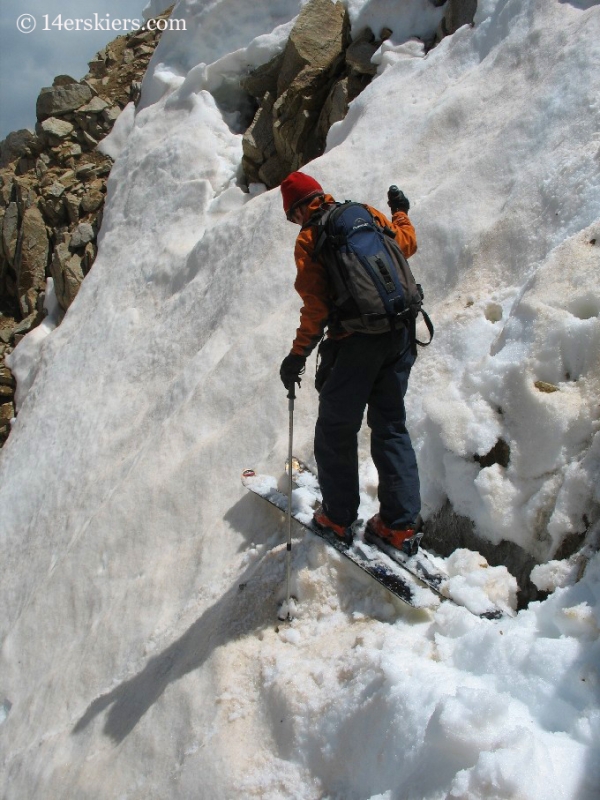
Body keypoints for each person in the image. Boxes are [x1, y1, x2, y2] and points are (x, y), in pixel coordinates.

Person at [279, 171, 422, 554]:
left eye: (291, 214)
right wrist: (401, 212)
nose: (294, 222)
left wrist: (297, 356)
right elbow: (405, 244)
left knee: (335, 429)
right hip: (401, 331)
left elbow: (317, 307)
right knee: (390, 424)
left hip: (358, 342)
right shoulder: (365, 213)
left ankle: (338, 518)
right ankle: (398, 526)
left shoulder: (311, 239)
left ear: (298, 209)